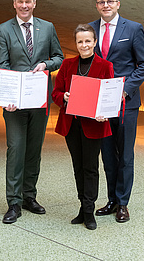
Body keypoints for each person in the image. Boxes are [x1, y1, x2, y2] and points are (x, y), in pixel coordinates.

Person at [0, 0, 64, 224]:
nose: (24, 5)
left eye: (28, 2)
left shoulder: (48, 27)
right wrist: (7, 98)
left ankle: (29, 196)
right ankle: (13, 202)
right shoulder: (3, 30)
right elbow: (1, 65)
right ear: (14, 3)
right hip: (14, 104)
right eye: (20, 1)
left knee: (34, 150)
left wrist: (45, 64)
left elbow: (59, 57)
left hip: (40, 101)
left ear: (35, 3)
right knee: (16, 149)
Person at [89, 0, 144, 222]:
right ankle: (112, 200)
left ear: (118, 4)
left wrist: (125, 90)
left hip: (126, 102)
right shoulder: (91, 29)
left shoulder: (133, 29)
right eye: (101, 2)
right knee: (107, 154)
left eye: (109, 1)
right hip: (101, 104)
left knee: (125, 155)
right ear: (96, 6)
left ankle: (123, 203)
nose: (105, 5)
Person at [52, 24, 114, 230]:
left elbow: (110, 97)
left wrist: (104, 112)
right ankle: (82, 205)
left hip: (93, 126)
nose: (84, 45)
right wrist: (65, 97)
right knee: (78, 167)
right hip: (72, 124)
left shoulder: (105, 66)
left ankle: (89, 210)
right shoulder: (68, 65)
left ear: (95, 42)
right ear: (76, 44)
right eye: (80, 41)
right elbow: (56, 93)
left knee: (90, 167)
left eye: (88, 41)